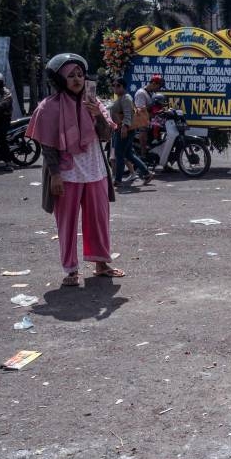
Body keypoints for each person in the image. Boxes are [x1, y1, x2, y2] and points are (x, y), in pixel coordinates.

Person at [26, 53, 124, 287]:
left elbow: (106, 135)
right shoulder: (49, 107)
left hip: (95, 171)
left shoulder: (94, 102)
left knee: (99, 219)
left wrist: (97, 114)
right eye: (70, 76)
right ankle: (71, 270)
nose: (77, 79)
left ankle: (101, 264)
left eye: (80, 74)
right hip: (67, 174)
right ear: (60, 80)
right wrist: (55, 175)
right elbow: (48, 146)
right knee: (67, 223)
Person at [108, 80, 153, 186]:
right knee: (128, 154)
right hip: (123, 129)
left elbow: (128, 114)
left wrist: (124, 127)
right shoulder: (121, 98)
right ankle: (147, 173)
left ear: (123, 87)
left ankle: (118, 180)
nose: (115, 87)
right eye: (113, 85)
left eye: (118, 85)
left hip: (124, 130)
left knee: (119, 155)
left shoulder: (126, 98)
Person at [134, 74, 163, 155]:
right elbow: (140, 110)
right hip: (142, 120)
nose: (159, 89)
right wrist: (152, 106)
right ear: (153, 83)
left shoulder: (152, 94)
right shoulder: (141, 93)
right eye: (159, 86)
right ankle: (143, 155)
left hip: (151, 119)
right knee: (144, 130)